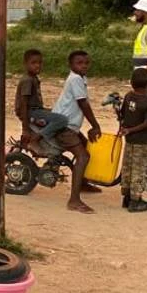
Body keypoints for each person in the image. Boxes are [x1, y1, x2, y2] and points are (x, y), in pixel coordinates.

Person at [51, 50, 103, 214]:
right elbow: (84, 105)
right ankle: (74, 200)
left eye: (86, 63)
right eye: (79, 63)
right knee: (83, 156)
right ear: (71, 65)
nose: (84, 66)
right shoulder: (75, 79)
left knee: (87, 147)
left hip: (69, 126)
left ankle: (82, 182)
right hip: (63, 127)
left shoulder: (80, 78)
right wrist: (95, 125)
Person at [119, 69, 147, 213]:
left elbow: (122, 114)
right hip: (142, 141)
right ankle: (135, 202)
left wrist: (126, 129)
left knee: (127, 168)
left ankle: (126, 197)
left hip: (129, 140)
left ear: (131, 83)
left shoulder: (128, 97)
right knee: (139, 170)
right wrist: (131, 130)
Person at [15, 49, 69, 154]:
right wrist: (25, 129)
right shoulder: (27, 80)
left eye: (40, 63)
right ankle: (36, 139)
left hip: (36, 110)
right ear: (25, 64)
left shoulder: (33, 78)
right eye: (33, 63)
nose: (37, 66)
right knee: (62, 120)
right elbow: (23, 104)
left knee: (58, 112)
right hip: (31, 112)